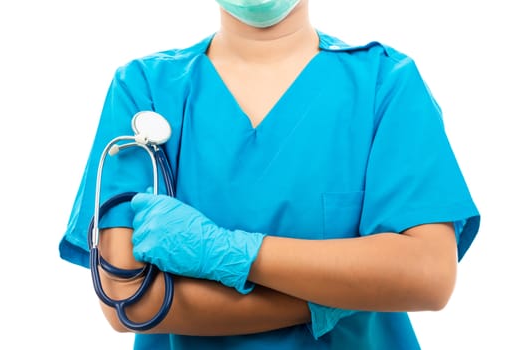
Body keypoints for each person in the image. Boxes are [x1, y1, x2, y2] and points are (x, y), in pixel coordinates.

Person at [59, 0, 481, 349]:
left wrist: (227, 250)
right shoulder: (146, 89)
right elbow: (129, 299)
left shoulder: (385, 84)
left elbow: (427, 274)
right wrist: (336, 295)